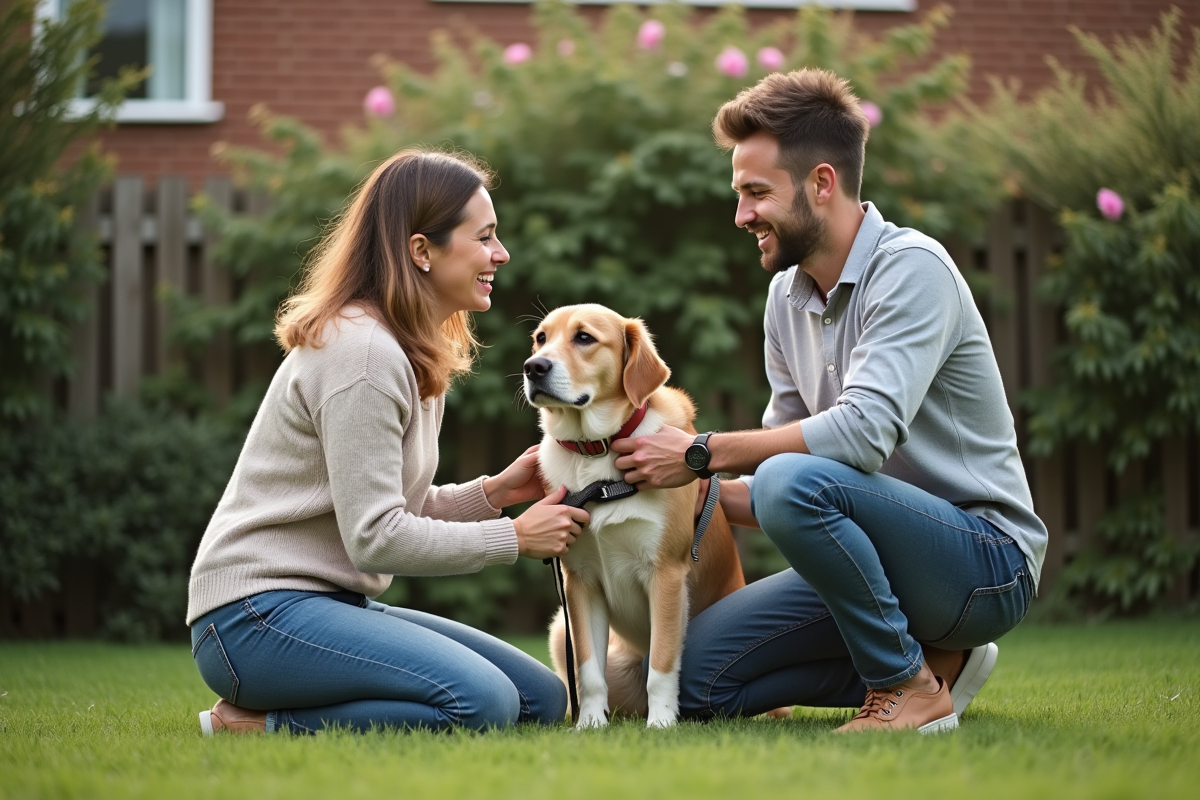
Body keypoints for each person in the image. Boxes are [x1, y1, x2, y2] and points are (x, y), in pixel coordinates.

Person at [612, 69, 1047, 733]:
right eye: (739, 194)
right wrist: (660, 489)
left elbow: (860, 437)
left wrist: (700, 453)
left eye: (757, 193)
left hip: (981, 564)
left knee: (792, 476)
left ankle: (907, 687)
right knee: (689, 679)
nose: (741, 215)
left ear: (822, 182)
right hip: (874, 564)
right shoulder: (784, 298)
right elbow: (780, 494)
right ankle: (935, 665)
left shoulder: (911, 268)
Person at [187, 149, 590, 735]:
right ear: (422, 251)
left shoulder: (410, 350)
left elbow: (387, 503)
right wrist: (514, 538)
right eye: (484, 237)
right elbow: (376, 537)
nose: (500, 254)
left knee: (543, 700)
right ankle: (255, 726)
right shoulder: (364, 356)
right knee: (485, 704)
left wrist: (496, 492)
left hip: (327, 605)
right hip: (255, 616)